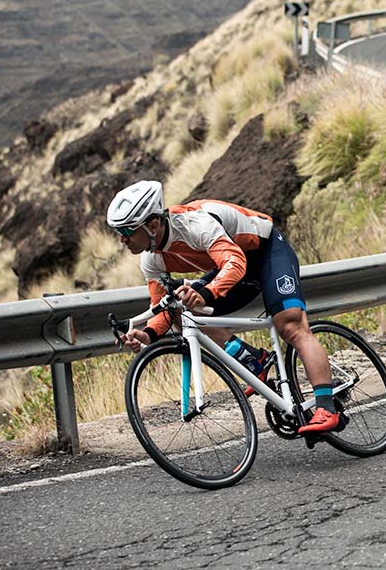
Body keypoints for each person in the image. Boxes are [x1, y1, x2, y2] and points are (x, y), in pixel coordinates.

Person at [106, 179, 338, 434]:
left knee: (291, 325)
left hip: (266, 252)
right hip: (229, 266)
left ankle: (326, 408)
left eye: (127, 231)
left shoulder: (195, 224)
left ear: (152, 225)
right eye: (117, 232)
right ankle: (252, 360)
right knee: (180, 311)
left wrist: (205, 293)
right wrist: (148, 333)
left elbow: (235, 262)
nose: (121, 239)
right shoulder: (151, 260)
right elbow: (161, 307)